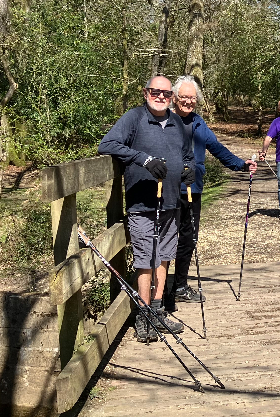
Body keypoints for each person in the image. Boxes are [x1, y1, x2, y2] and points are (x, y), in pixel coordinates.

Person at [98, 75, 193, 342]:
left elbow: (187, 155)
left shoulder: (175, 122)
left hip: (171, 201)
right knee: (145, 258)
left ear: (172, 96)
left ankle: (157, 308)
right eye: (155, 91)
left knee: (163, 256)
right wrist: (144, 159)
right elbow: (107, 144)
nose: (160, 96)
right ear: (145, 92)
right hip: (143, 203)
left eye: (165, 93)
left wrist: (189, 170)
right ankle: (143, 314)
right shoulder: (134, 118)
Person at [167, 76, 256, 310]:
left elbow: (216, 148)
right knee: (166, 239)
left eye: (192, 97)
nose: (188, 101)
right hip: (168, 190)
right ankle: (160, 292)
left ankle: (179, 286)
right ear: (175, 98)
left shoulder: (198, 123)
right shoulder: (164, 121)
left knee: (189, 238)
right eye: (184, 97)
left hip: (193, 189)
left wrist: (240, 164)